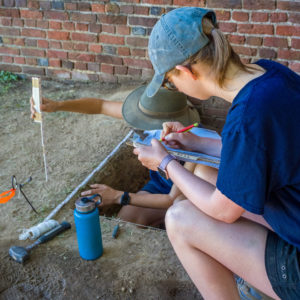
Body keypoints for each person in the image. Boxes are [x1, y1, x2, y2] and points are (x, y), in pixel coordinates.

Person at [133, 7, 300, 300]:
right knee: (209, 174)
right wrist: (195, 144)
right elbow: (257, 153)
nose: (176, 88)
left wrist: (166, 163)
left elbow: (222, 210)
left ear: (186, 71)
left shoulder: (249, 115)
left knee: (179, 219)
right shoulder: (270, 74)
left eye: (171, 82)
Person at [31, 84, 200, 227]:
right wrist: (57, 105)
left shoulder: (195, 147)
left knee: (177, 213)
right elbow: (100, 105)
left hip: (180, 197)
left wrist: (118, 196)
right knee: (124, 221)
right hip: (156, 187)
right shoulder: (148, 116)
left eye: (150, 125)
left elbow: (171, 199)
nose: (144, 126)